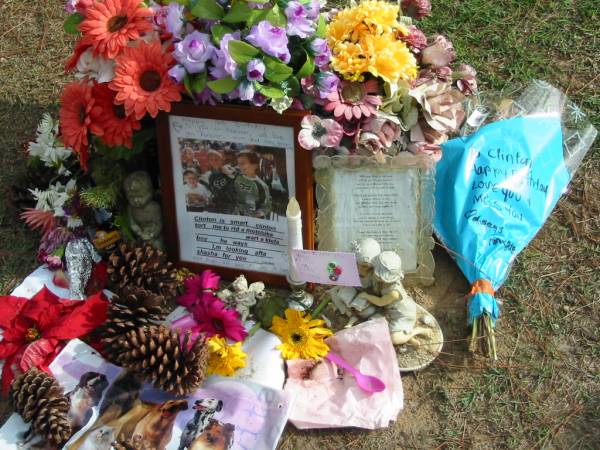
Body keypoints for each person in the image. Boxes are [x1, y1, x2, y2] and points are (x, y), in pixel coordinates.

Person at [234, 151, 272, 219]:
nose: (239, 166)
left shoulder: (262, 185)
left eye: (242, 163)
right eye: (238, 163)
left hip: (254, 217)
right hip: (238, 214)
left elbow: (267, 206)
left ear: (255, 165)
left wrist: (260, 213)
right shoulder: (236, 177)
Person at [206, 150, 236, 214]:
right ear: (209, 162)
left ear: (222, 160)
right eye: (211, 160)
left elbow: (236, 177)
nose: (214, 161)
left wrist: (228, 173)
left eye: (216, 159)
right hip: (218, 203)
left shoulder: (228, 167)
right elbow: (213, 190)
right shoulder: (211, 176)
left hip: (231, 203)